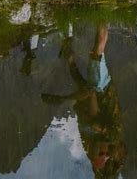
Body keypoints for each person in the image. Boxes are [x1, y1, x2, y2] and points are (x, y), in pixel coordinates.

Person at [41, 24, 126, 178]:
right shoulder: (110, 136)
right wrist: (66, 99)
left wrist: (72, 64)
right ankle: (102, 15)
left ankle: (94, 21)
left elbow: (83, 93)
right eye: (104, 152)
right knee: (96, 53)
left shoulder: (94, 139)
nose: (103, 150)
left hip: (99, 90)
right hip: (101, 89)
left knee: (90, 57)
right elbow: (90, 96)